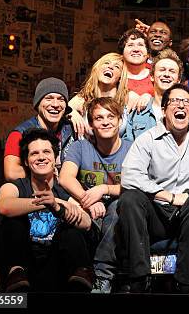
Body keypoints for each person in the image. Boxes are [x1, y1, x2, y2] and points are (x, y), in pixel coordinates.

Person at [118, 84, 189, 293]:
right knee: (129, 199)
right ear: (163, 110)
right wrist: (168, 196)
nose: (181, 105)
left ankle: (187, 283)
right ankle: (139, 279)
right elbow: (129, 176)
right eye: (174, 101)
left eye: (186, 102)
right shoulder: (148, 139)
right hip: (157, 213)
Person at [0, 128, 93, 292]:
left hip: (57, 265)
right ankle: (16, 273)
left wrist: (58, 207)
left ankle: (81, 275)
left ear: (55, 158)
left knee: (71, 229)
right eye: (34, 153)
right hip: (26, 266)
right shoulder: (16, 187)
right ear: (26, 161)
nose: (41, 157)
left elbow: (87, 222)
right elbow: (4, 206)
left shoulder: (65, 190)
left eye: (46, 152)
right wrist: (47, 203)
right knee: (14, 222)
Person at [59, 97, 132, 293]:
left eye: (111, 116)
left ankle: (102, 275)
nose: (106, 121)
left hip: (120, 216)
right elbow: (65, 178)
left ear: (120, 120)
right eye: (99, 118)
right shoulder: (80, 147)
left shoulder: (132, 148)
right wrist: (88, 201)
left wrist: (104, 189)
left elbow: (138, 187)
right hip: (89, 213)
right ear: (91, 124)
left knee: (119, 206)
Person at [123, 49, 189, 141]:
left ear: (178, 79)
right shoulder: (139, 110)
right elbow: (128, 146)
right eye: (162, 70)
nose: (166, 74)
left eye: (172, 71)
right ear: (151, 76)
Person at [4, 78, 75, 182]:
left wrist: (76, 113)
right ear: (38, 103)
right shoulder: (20, 134)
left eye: (61, 99)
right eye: (48, 98)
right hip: (34, 195)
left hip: (64, 195)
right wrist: (47, 172)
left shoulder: (72, 129)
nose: (55, 104)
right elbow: (11, 173)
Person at [68, 53, 129, 138]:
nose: (110, 67)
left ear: (120, 77)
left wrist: (146, 96)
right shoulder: (84, 98)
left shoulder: (126, 99)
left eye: (117, 67)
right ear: (97, 69)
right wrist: (72, 113)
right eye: (106, 63)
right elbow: (65, 108)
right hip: (86, 149)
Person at [117, 28, 154, 111]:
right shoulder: (115, 74)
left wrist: (151, 98)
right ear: (121, 53)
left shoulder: (157, 73)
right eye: (130, 45)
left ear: (148, 54)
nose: (136, 49)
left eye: (140, 45)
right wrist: (124, 96)